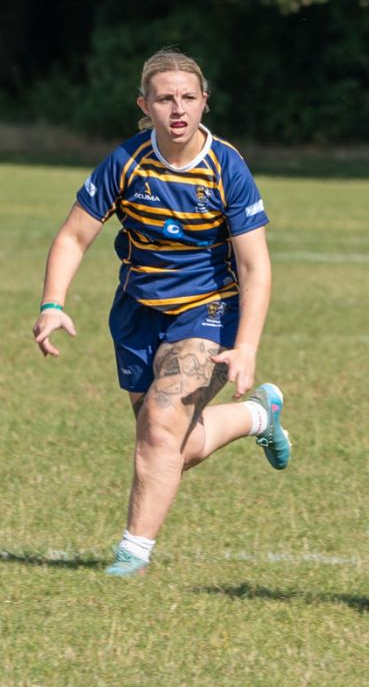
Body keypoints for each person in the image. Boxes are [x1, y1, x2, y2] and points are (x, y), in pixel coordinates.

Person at [32, 48, 292, 577]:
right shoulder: (125, 162)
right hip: (135, 312)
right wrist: (53, 304)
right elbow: (74, 236)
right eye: (165, 98)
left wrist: (247, 345)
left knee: (159, 429)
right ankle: (257, 416)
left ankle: (131, 557)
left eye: (189, 98)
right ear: (144, 105)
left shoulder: (226, 168)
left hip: (208, 310)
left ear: (204, 104)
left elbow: (255, 265)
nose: (178, 109)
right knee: (172, 444)